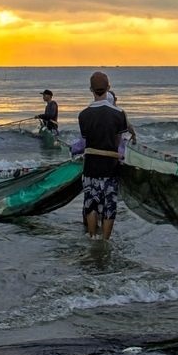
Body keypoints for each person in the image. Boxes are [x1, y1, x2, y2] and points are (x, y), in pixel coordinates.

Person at [78, 72, 129, 239]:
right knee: (109, 203)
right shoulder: (119, 114)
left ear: (91, 89)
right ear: (108, 88)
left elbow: (85, 141)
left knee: (91, 202)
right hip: (110, 165)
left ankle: (92, 236)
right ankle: (105, 241)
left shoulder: (83, 115)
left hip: (91, 165)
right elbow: (118, 142)